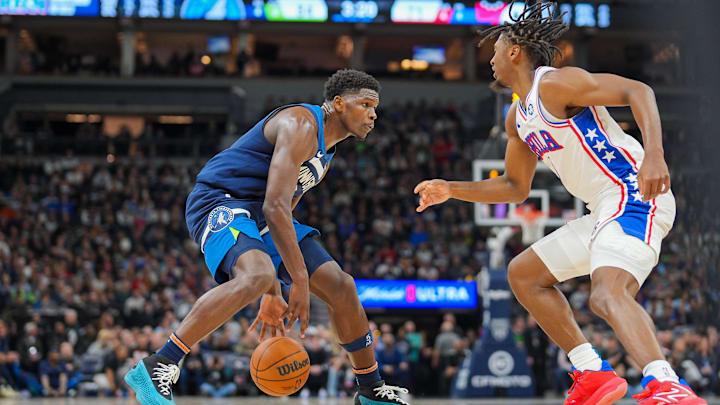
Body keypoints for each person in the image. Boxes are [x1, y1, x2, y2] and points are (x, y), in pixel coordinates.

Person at [414, 3, 705, 404]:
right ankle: (591, 371)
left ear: (514, 50)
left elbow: (638, 91)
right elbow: (516, 187)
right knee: (523, 274)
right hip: (601, 210)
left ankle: (666, 383)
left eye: (495, 48)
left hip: (632, 194)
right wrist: (450, 188)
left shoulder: (555, 84)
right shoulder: (517, 117)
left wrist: (654, 153)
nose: (492, 58)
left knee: (605, 294)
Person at [124, 69, 410, 405]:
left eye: (375, 107)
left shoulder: (326, 154)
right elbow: (275, 206)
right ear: (337, 104)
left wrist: (275, 288)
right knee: (256, 275)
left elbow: (283, 210)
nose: (373, 113)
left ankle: (371, 390)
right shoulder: (302, 124)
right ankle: (160, 362)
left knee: (340, 286)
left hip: (260, 214)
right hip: (221, 200)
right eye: (364, 104)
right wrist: (297, 280)